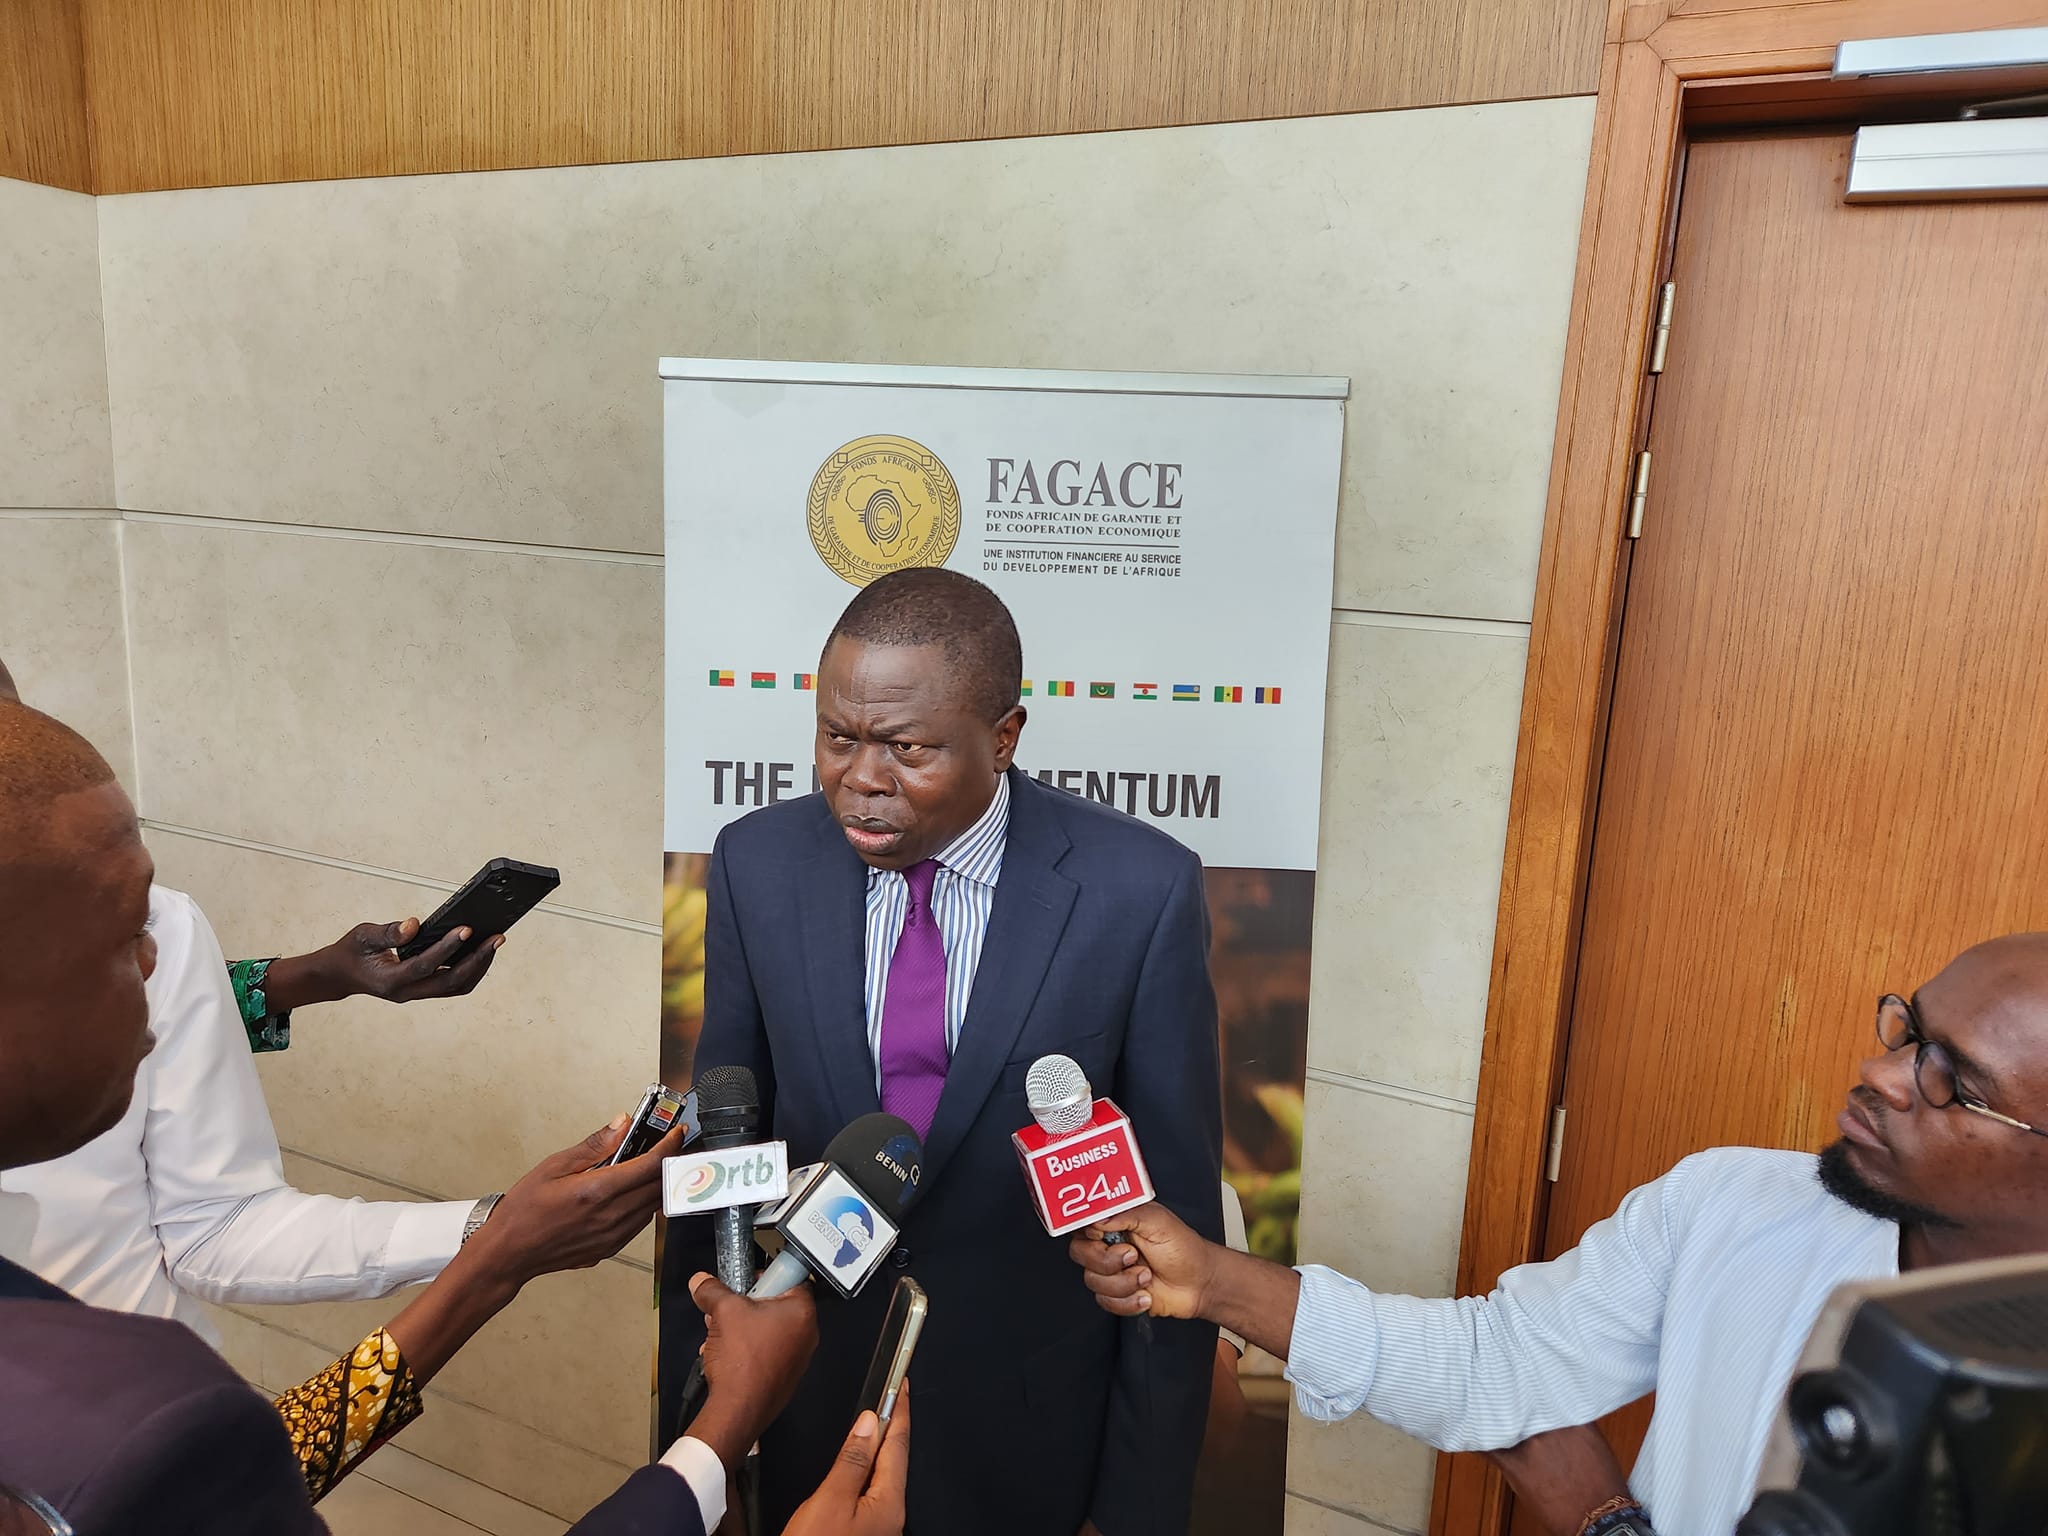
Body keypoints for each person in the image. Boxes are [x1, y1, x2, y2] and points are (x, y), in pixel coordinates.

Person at [0, 697, 907, 1534]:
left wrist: (494, 1234)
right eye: (128, 933)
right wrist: (714, 1442)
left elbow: (213, 1231)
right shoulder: (134, 1431)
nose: (158, 962)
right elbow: (233, 1476)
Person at [1068, 935, 2048, 1536]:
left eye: (1950, 1080)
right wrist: (1211, 1282)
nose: (1882, 1075)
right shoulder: (1736, 1201)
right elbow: (1494, 1366)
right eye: (1906, 1031)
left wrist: (1605, 1526)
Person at [663, 567, 1225, 1536]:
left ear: (1003, 737)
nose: (861, 777)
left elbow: (1174, 1233)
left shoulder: (1139, 892)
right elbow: (724, 1154)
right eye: (838, 737)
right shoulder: (759, 863)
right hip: (808, 1404)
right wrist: (696, 1457)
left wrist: (1135, 1512)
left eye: (906, 747)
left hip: (1029, 1437)